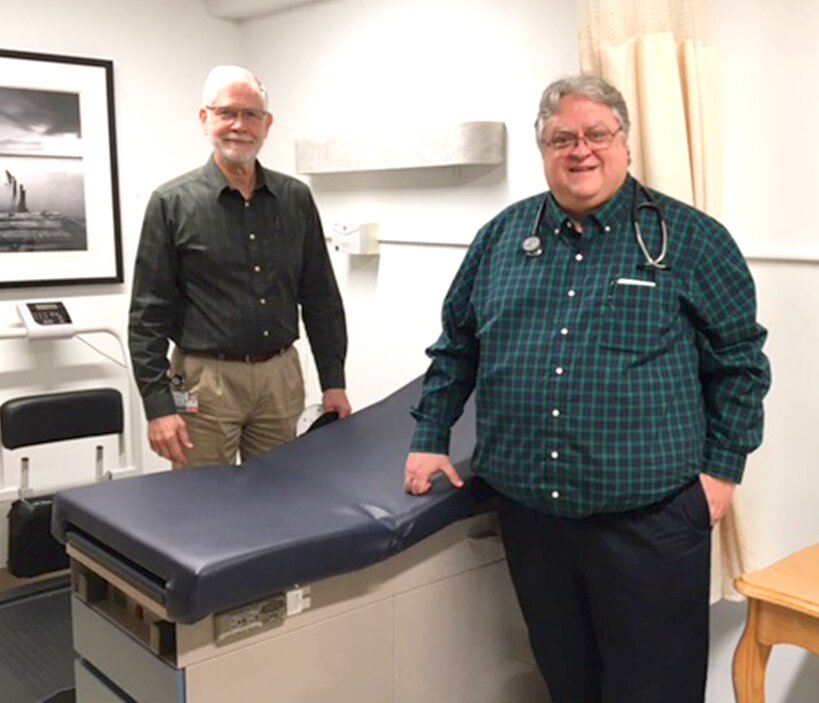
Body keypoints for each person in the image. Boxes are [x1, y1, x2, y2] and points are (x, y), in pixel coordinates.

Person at [404, 75, 770, 703]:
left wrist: (720, 473)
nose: (581, 150)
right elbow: (456, 345)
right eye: (562, 138)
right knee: (568, 681)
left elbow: (740, 363)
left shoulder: (690, 240)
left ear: (624, 143)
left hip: (649, 524)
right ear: (543, 150)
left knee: (654, 690)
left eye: (597, 134)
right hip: (532, 519)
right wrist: (429, 436)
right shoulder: (500, 239)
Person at [129, 65, 350, 469]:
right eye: (227, 113)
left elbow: (321, 297)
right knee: (202, 505)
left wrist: (333, 381)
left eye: (251, 115)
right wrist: (158, 406)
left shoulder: (295, 199)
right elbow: (148, 316)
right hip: (204, 383)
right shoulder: (172, 203)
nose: (239, 125)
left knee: (280, 496)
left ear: (267, 125)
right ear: (205, 119)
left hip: (280, 378)